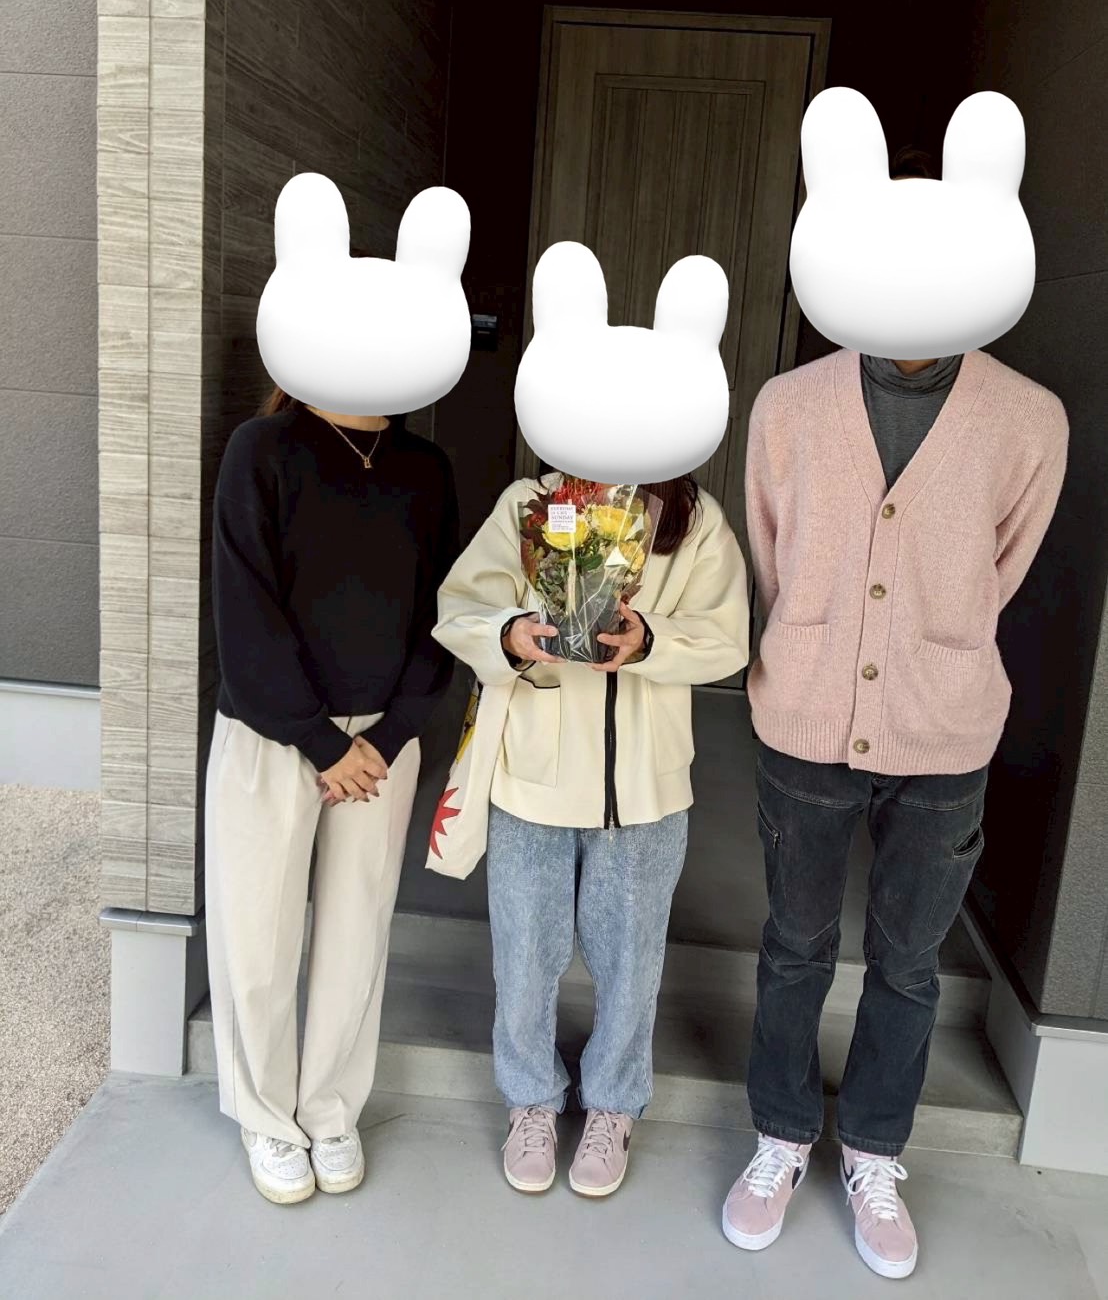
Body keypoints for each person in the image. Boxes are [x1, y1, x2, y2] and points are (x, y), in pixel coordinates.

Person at [722, 146, 1068, 1278]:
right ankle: (781, 1134)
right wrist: (826, 641)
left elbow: (1002, 570)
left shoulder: (1029, 419)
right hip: (805, 716)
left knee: (910, 960)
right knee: (794, 945)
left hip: (944, 723)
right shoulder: (787, 406)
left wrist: (924, 644)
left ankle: (873, 1149)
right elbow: (773, 550)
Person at [434, 470, 749, 1197]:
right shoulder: (529, 502)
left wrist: (651, 640)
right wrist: (511, 634)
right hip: (532, 775)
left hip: (643, 785)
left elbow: (727, 637)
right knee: (524, 954)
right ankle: (530, 1100)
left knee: (633, 960)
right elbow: (461, 607)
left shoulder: (693, 517)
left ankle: (613, 1104)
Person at [205, 382, 458, 1204]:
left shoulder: (425, 467)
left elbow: (442, 614)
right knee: (257, 929)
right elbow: (244, 610)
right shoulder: (261, 450)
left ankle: (330, 1108)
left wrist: (390, 734)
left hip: (381, 745)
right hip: (273, 731)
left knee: (358, 925)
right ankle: (266, 1115)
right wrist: (321, 739)